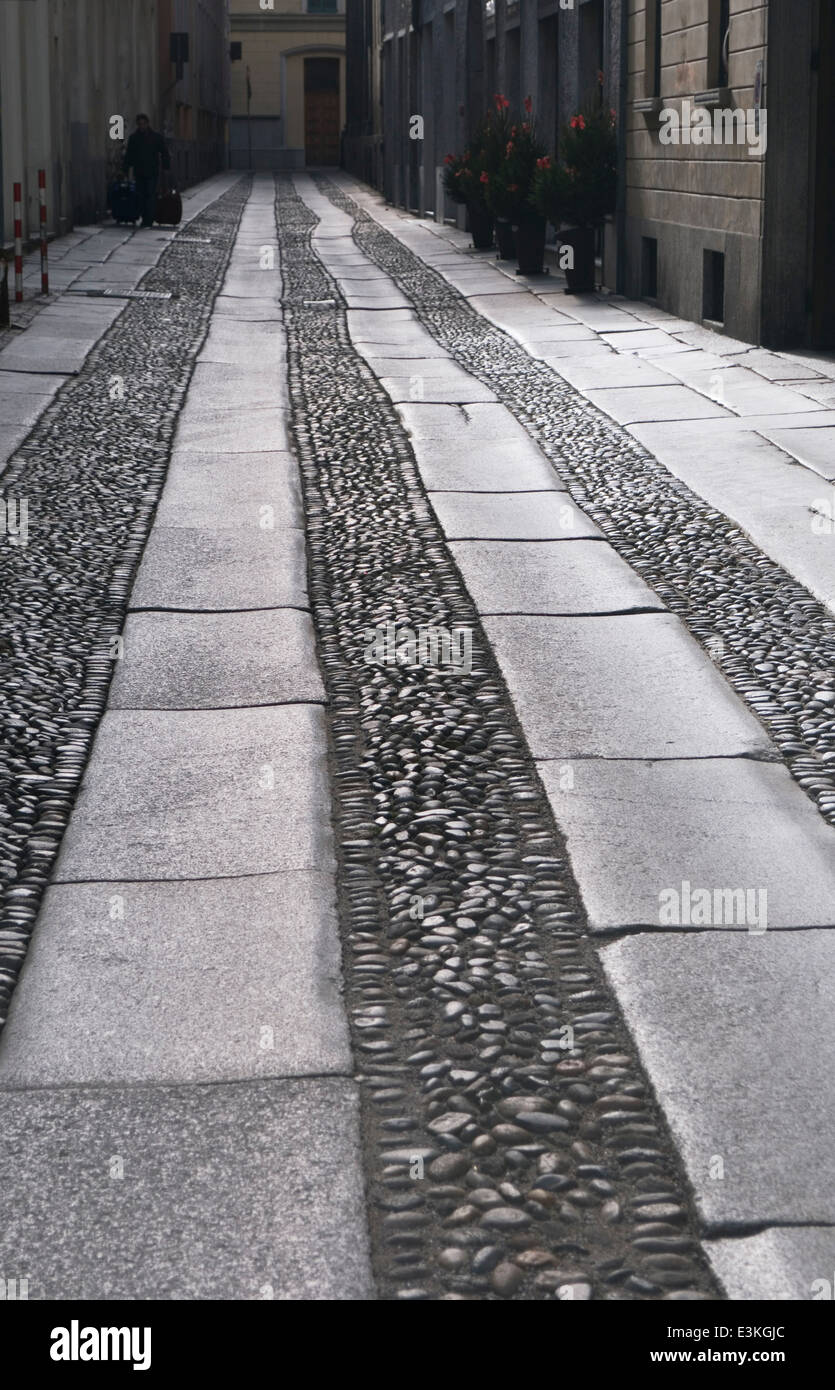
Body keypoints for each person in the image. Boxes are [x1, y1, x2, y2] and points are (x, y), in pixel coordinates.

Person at [123, 114, 171, 228]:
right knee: (141, 196)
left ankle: (148, 219)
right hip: (139, 172)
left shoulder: (156, 137)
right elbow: (129, 155)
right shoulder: (134, 138)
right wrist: (125, 170)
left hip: (152, 172)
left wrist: (166, 168)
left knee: (150, 195)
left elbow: (165, 152)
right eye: (140, 124)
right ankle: (145, 217)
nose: (142, 126)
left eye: (143, 124)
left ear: (147, 124)